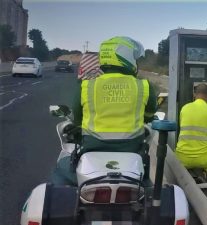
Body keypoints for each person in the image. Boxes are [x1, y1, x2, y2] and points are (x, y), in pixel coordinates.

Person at [51, 36, 157, 186]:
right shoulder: (144, 86)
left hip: (93, 147)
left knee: (61, 167)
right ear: (125, 57)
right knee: (145, 183)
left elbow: (77, 119)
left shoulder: (86, 86)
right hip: (131, 149)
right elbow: (150, 114)